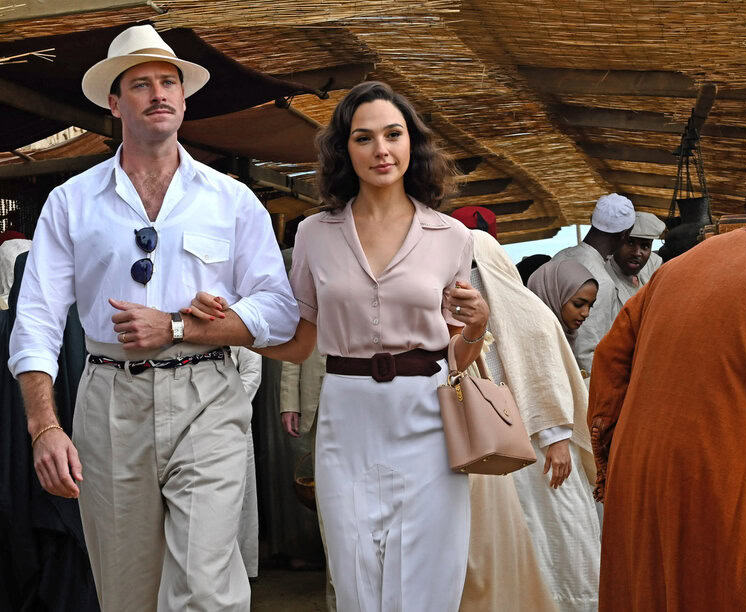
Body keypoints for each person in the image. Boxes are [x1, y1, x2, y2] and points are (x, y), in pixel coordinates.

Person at [9, 25, 299, 611]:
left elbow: (279, 311)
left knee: (208, 588)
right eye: (140, 84)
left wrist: (185, 326)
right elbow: (35, 321)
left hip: (208, 393)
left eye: (169, 82)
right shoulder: (71, 200)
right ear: (115, 104)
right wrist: (45, 427)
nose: (158, 93)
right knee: (127, 591)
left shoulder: (232, 198)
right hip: (109, 399)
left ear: (184, 99)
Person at [190, 81, 490, 611]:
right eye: (364, 137)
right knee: (355, 578)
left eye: (393, 135)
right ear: (344, 150)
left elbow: (456, 357)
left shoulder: (451, 236)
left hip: (427, 415)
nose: (381, 150)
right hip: (347, 418)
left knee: (428, 577)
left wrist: (476, 327)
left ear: (411, 143)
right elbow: (300, 341)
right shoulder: (314, 234)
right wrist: (231, 326)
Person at [587, 151, 746, 610]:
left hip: (644, 492)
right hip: (736, 499)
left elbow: (609, 365)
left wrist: (617, 468)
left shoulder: (677, 268)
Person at [463, 230, 600, 612]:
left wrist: (556, 438)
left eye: (475, 268)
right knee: (522, 536)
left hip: (544, 451)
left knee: (562, 533)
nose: (470, 277)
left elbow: (546, 376)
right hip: (499, 452)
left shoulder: (529, 312)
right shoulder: (459, 314)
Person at [527, 193, 634, 376]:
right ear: (624, 234)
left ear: (593, 221)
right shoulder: (601, 281)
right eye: (579, 304)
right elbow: (586, 354)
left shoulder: (561, 256)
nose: (584, 311)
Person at [231, 346, 262, 579]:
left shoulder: (236, 308)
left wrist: (227, 408)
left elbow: (252, 370)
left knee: (238, 498)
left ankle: (240, 571)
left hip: (232, 418)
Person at [606, 211, 664, 312]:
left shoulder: (652, 265)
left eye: (645, 246)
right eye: (630, 243)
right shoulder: (603, 280)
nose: (637, 253)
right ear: (617, 242)